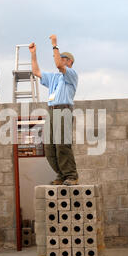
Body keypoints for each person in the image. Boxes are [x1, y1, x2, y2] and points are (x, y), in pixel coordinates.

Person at [29, 35, 79, 186]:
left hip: (64, 110)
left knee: (63, 144)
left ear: (70, 62)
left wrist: (54, 45)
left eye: (64, 58)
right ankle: (62, 175)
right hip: (51, 110)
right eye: (61, 57)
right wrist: (33, 53)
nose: (61, 59)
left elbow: (58, 65)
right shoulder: (54, 78)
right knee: (49, 147)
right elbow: (36, 71)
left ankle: (71, 175)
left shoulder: (71, 74)